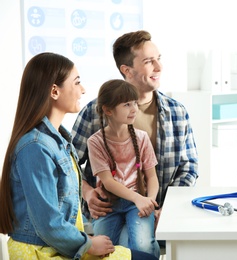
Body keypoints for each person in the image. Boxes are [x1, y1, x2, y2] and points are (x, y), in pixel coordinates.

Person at [0, 52, 157, 260]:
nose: (82, 90)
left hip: (61, 246)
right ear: (54, 91)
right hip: (41, 252)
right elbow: (48, 223)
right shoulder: (36, 147)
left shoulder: (60, 141)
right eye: (77, 82)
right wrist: (88, 243)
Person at [71, 30, 198, 245]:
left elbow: (189, 169)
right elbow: (67, 165)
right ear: (126, 70)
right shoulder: (95, 112)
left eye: (159, 59)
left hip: (156, 215)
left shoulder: (177, 112)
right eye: (149, 61)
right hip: (108, 213)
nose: (159, 67)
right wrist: (87, 193)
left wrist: (165, 209)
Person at [87, 79, 160, 258]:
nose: (134, 109)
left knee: (142, 247)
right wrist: (138, 199)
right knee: (103, 251)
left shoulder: (142, 138)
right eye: (127, 104)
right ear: (108, 110)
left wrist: (149, 202)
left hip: (137, 204)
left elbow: (152, 177)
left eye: (135, 103)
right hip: (108, 205)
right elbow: (108, 182)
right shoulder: (95, 142)